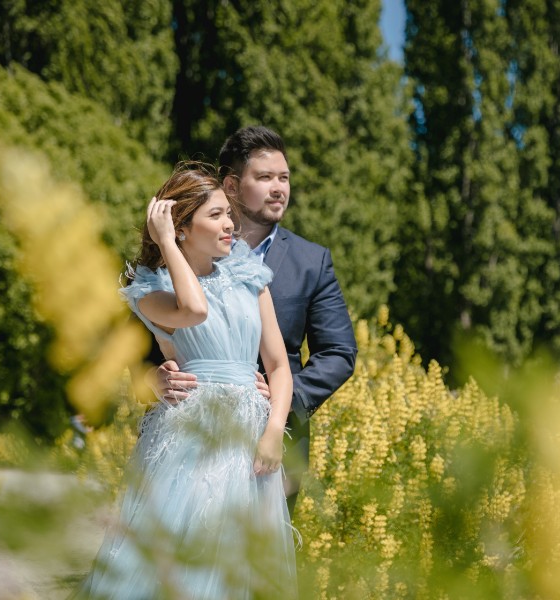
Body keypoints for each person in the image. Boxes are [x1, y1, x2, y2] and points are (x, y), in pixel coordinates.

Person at [76, 163, 296, 599]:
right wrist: (164, 242)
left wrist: (273, 431)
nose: (230, 223)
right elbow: (195, 310)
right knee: (184, 555)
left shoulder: (252, 280)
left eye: (228, 213)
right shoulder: (150, 294)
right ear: (181, 228)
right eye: (215, 215)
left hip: (250, 435)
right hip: (191, 437)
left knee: (240, 561)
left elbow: (279, 366)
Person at [150, 126, 358, 512]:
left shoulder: (312, 262)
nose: (279, 188)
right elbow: (140, 344)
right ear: (231, 184)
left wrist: (281, 401)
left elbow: (339, 353)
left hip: (273, 450)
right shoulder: (177, 257)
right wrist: (151, 378)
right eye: (264, 178)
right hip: (188, 440)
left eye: (284, 177)